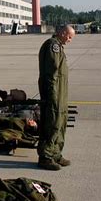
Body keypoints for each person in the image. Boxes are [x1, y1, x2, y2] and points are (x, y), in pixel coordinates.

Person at [37, 25, 75, 171]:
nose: (70, 40)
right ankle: (46, 157)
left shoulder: (58, 46)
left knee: (60, 122)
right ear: (63, 33)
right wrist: (52, 94)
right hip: (54, 92)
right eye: (69, 37)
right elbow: (51, 73)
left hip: (60, 92)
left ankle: (56, 153)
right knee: (52, 123)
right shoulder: (53, 46)